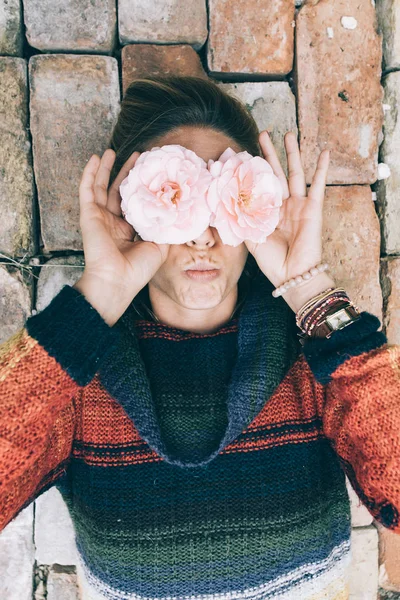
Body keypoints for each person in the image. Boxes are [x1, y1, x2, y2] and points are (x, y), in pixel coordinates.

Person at [0, 75, 398, 600]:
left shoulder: (320, 359)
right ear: (128, 212)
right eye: (176, 199)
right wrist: (95, 299)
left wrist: (313, 293)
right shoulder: (73, 380)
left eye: (223, 200)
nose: (202, 234)